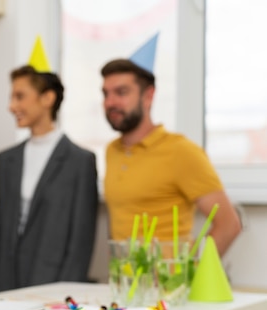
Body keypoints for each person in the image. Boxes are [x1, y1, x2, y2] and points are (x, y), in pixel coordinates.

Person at [101, 58, 241, 255]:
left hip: (169, 283)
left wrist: (194, 276)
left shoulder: (181, 151)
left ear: (148, 96)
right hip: (127, 282)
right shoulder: (112, 151)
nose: (110, 102)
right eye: (106, 94)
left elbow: (228, 224)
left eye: (121, 92)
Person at [0, 65, 99, 293]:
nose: (11, 106)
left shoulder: (80, 162)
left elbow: (81, 241)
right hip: (6, 284)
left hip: (53, 286)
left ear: (47, 98)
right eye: (11, 97)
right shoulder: (6, 160)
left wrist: (66, 293)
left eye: (20, 96)